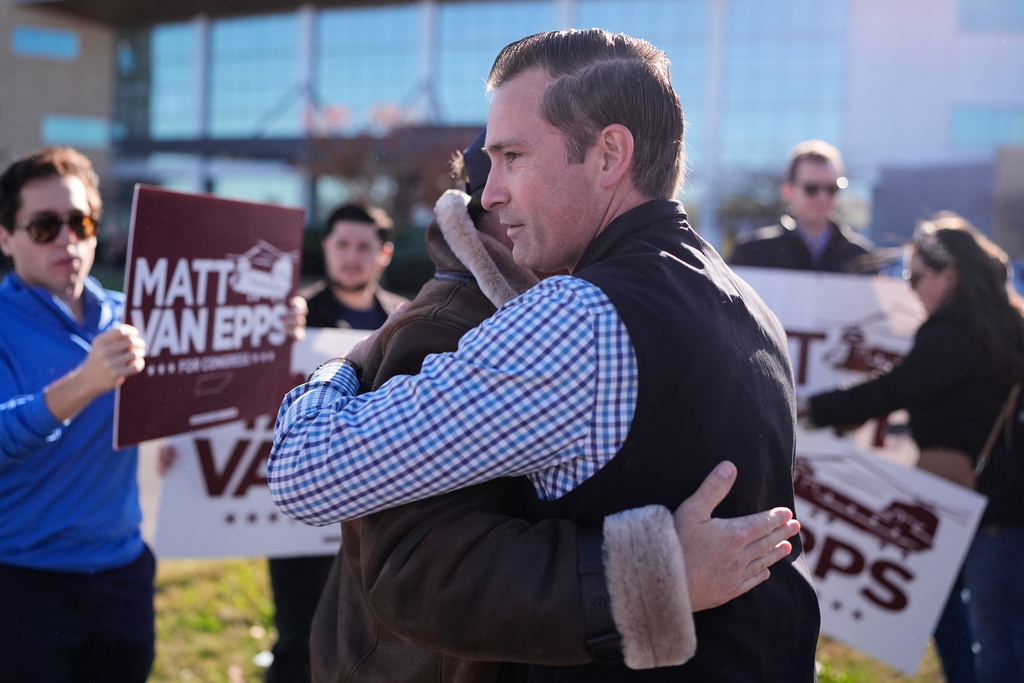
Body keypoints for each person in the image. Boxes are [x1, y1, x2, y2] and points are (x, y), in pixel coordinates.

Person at [271, 29, 820, 681]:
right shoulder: (749, 302)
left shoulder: (575, 317)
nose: (491, 191)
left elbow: (304, 472)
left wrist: (344, 367)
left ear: (609, 153)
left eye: (513, 156)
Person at [803, 212, 1024, 683]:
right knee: (962, 618)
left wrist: (812, 408)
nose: (909, 288)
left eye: (914, 275)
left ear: (950, 275)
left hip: (991, 512)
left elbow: (897, 389)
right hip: (989, 502)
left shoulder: (955, 330)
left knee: (998, 640)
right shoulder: (1005, 322)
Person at [0, 147, 154, 681]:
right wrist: (84, 384)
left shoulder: (129, 312)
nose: (68, 239)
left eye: (81, 222)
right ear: (5, 238)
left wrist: (268, 325)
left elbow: (210, 368)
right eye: (44, 226)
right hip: (23, 578)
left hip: (123, 570)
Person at [267, 202, 408, 683]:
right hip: (300, 525)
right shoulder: (291, 317)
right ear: (325, 248)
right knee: (297, 637)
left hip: (370, 512)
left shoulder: (405, 321)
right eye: (342, 245)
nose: (352, 256)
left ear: (384, 254)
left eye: (363, 247)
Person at [730, 139, 876, 273]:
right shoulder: (752, 253)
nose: (823, 197)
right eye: (811, 188)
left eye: (831, 188)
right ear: (788, 191)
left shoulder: (863, 257)